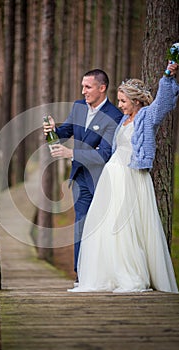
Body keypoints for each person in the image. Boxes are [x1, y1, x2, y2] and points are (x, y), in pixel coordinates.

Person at [68, 62, 179, 293]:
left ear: (136, 101)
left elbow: (163, 104)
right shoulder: (122, 120)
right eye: (118, 101)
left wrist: (168, 75)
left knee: (128, 226)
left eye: (123, 101)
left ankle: (131, 274)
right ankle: (109, 273)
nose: (119, 105)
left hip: (131, 177)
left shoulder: (146, 117)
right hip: (113, 177)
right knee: (107, 227)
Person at [43, 69, 123, 287]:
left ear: (102, 88)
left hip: (102, 181)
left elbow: (104, 154)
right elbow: (66, 131)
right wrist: (52, 130)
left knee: (103, 228)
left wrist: (71, 153)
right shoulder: (78, 106)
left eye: (87, 87)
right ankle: (81, 276)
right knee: (81, 226)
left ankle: (106, 273)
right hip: (80, 178)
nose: (83, 91)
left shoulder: (114, 116)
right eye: (82, 87)